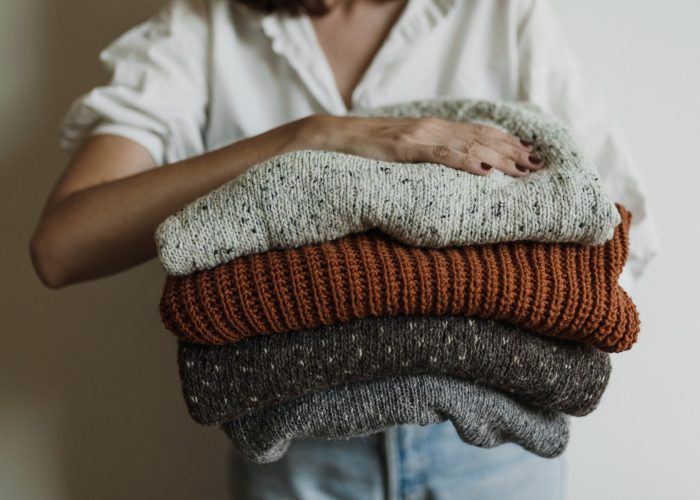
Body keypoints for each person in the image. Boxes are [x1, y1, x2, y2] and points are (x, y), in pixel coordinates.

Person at [29, 0, 658, 498]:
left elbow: (615, 230)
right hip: (294, 460)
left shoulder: (495, 13)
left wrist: (481, 334)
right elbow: (62, 247)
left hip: (493, 461)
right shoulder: (205, 25)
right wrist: (314, 137)